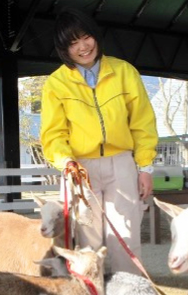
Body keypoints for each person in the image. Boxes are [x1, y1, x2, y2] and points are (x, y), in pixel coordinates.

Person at [40, 8, 158, 274]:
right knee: (87, 241)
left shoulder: (124, 71)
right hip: (80, 169)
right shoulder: (56, 84)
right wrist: (66, 162)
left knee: (125, 238)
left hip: (122, 164)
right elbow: (53, 133)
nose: (83, 47)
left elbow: (142, 123)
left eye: (86, 37)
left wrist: (146, 167)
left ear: (95, 36)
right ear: (63, 49)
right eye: (73, 43)